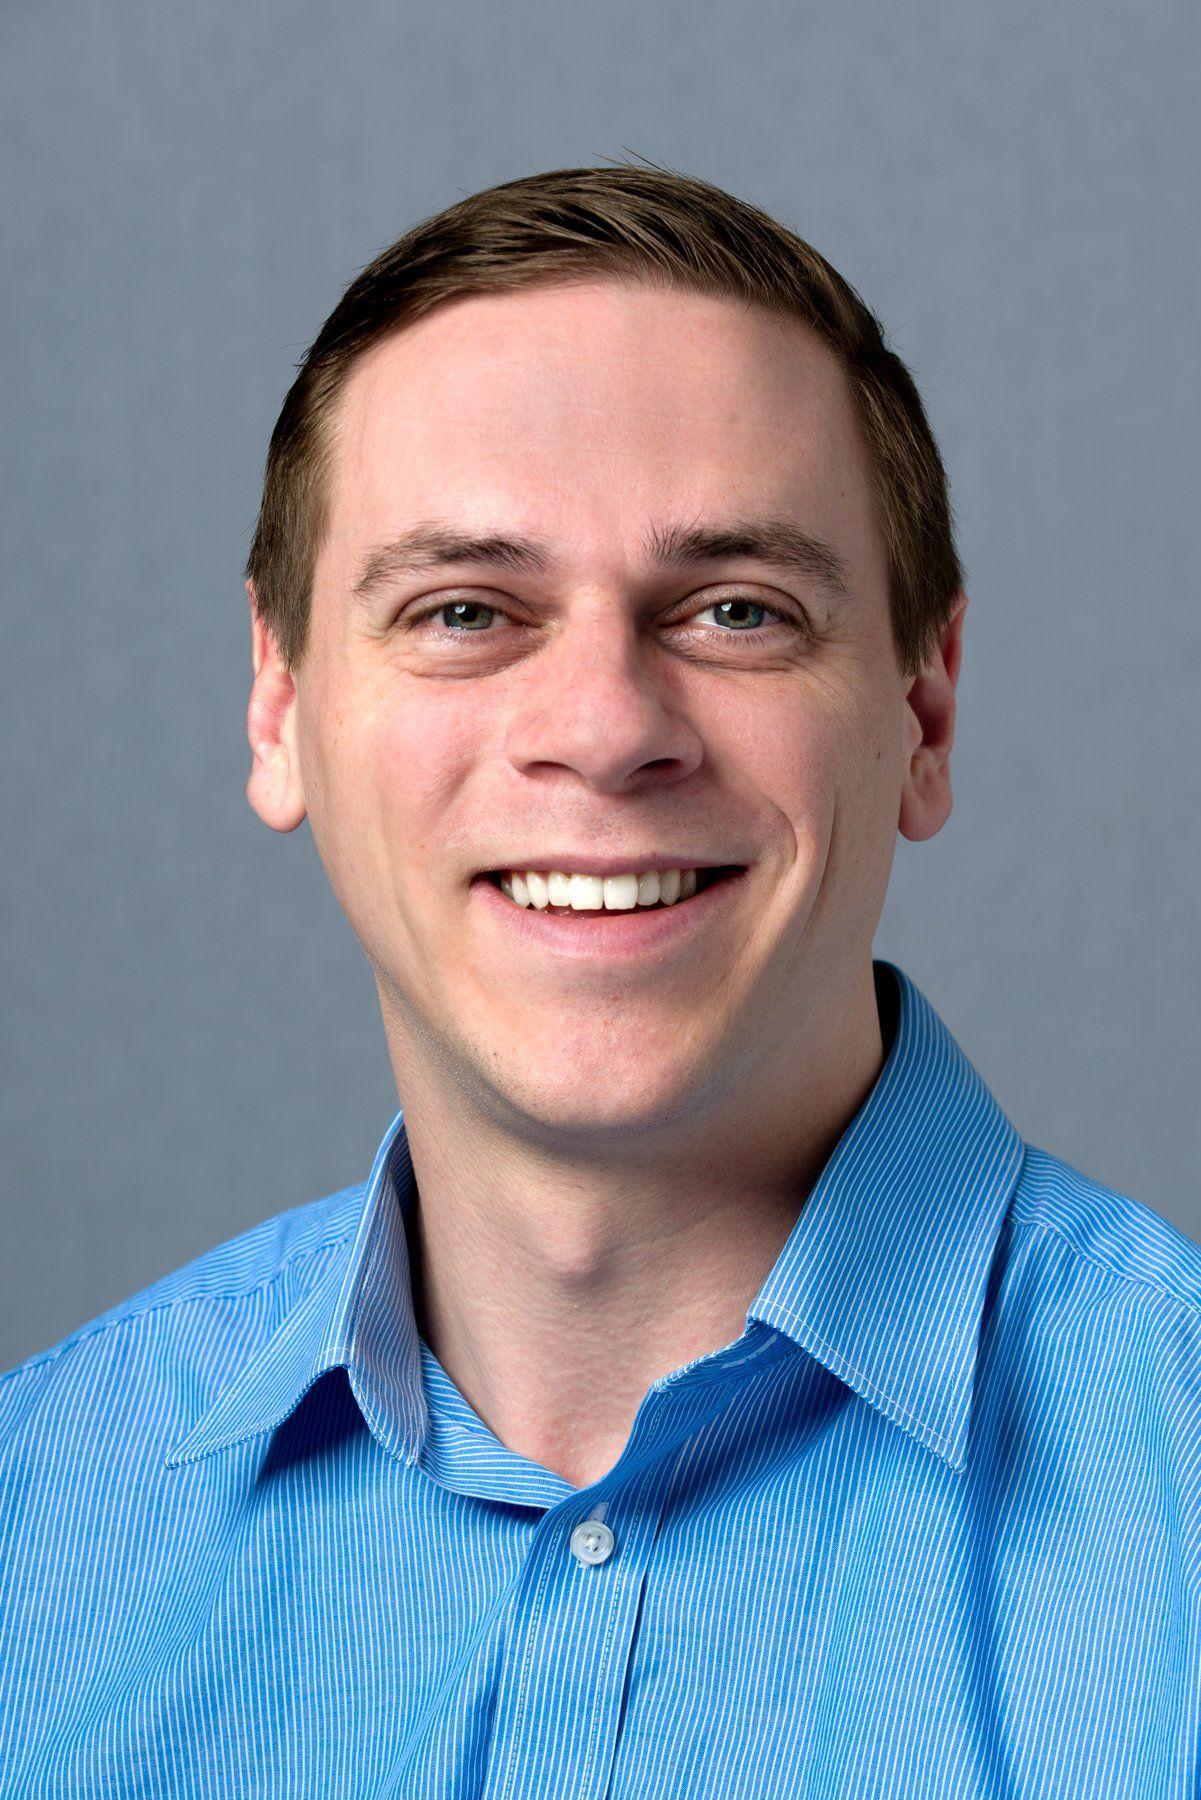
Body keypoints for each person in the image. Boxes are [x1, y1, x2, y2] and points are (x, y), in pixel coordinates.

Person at [2, 163, 1198, 1799]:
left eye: (735, 612)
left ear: (923, 711)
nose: (604, 728)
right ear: (279, 702)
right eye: (464, 611)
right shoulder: (32, 1530)